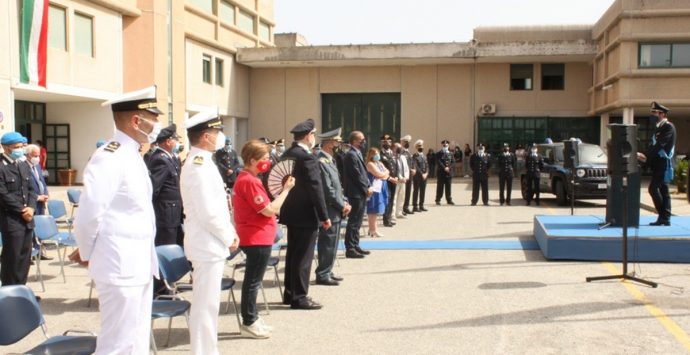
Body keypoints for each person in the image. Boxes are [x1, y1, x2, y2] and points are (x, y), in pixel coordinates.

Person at [73, 86, 162, 353]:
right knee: (117, 344)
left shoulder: (132, 154)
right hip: (119, 264)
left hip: (138, 264)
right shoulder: (110, 156)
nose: (157, 124)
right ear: (137, 121)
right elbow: (89, 213)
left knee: (136, 340)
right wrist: (89, 252)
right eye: (153, 118)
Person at [181, 109, 240, 354]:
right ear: (205, 136)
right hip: (207, 244)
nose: (219, 137)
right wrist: (229, 236)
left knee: (208, 306)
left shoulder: (203, 162)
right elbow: (208, 212)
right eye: (216, 132)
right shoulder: (199, 165)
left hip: (208, 243)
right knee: (205, 306)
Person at [233, 139, 294, 338]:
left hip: (258, 236)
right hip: (255, 237)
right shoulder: (249, 181)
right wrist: (286, 190)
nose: (268, 162)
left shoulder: (250, 179)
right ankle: (249, 320)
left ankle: (253, 317)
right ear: (252, 160)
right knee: (253, 282)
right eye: (265, 158)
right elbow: (269, 210)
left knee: (254, 280)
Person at [279, 118, 331, 310]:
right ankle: (300, 297)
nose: (313, 138)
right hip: (306, 213)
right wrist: (324, 215)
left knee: (294, 253)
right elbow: (315, 187)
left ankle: (290, 292)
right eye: (312, 135)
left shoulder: (287, 153)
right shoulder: (307, 157)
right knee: (303, 257)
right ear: (308, 136)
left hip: (290, 211)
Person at [0, 132, 37, 287]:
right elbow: (2, 194)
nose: (21, 149)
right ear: (6, 147)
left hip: (27, 219)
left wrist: (31, 208)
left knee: (24, 257)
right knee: (12, 257)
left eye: (22, 146)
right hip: (12, 219)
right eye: (17, 146)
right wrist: (23, 210)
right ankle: (9, 292)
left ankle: (21, 290)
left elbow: (31, 189)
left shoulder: (22, 164)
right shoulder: (1, 166)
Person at [315, 128, 350, 285]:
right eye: (336, 141)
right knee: (328, 242)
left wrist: (343, 201)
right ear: (329, 143)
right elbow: (328, 189)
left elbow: (337, 186)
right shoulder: (321, 161)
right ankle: (322, 273)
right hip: (330, 208)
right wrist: (342, 204)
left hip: (336, 207)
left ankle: (328, 269)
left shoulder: (330, 159)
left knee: (333, 242)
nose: (338, 144)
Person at [637, 101, 676, 226]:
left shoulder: (668, 127)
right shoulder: (659, 128)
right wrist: (644, 157)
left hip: (663, 163)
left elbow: (660, 145)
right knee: (663, 190)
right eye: (652, 112)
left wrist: (646, 156)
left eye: (655, 112)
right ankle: (665, 218)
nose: (652, 115)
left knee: (653, 188)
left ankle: (663, 215)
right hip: (657, 163)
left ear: (662, 114)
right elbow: (653, 146)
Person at [147, 124, 184, 247]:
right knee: (166, 249)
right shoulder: (160, 159)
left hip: (173, 215)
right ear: (168, 142)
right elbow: (153, 189)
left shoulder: (171, 158)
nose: (178, 143)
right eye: (176, 140)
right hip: (166, 216)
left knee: (176, 247)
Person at [343, 131, 373, 259]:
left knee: (358, 221)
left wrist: (368, 185)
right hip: (355, 193)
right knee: (354, 221)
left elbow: (363, 173)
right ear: (354, 141)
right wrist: (366, 188)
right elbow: (356, 175)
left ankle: (355, 245)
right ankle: (350, 248)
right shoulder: (351, 155)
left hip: (360, 192)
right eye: (361, 139)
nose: (364, 142)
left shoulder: (357, 153)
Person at [365, 147, 390, 238]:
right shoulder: (370, 164)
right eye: (375, 154)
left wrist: (383, 174)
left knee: (377, 210)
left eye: (377, 153)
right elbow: (378, 174)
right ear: (371, 155)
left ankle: (372, 229)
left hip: (381, 187)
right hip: (374, 189)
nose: (377, 155)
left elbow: (387, 171)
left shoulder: (379, 163)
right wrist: (383, 174)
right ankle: (373, 230)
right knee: (373, 210)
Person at [379, 134, 398, 227]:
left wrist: (397, 177)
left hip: (394, 180)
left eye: (389, 141)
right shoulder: (379, 154)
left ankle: (389, 217)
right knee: (387, 199)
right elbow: (380, 169)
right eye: (385, 142)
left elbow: (396, 166)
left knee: (392, 199)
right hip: (386, 180)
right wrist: (390, 178)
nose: (387, 143)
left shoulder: (393, 153)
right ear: (382, 143)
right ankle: (386, 220)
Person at [25, 144, 48, 215]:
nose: (38, 158)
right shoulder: (23, 167)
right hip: (31, 203)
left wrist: (46, 194)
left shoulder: (37, 166)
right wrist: (37, 197)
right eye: (35, 156)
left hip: (41, 202)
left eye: (39, 156)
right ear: (28, 155)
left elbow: (42, 181)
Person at [393, 142, 410, 220]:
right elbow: (396, 170)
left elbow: (406, 168)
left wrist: (406, 177)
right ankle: (392, 214)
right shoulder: (392, 157)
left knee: (402, 197)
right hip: (396, 180)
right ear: (394, 148)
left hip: (403, 180)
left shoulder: (403, 157)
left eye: (400, 147)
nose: (399, 149)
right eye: (397, 147)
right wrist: (400, 177)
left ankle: (399, 212)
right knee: (394, 197)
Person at [435, 139, 455, 205]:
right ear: (442, 145)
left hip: (448, 173)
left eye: (446, 144)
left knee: (448, 187)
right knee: (440, 187)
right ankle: (438, 200)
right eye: (444, 145)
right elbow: (438, 162)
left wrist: (448, 168)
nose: (445, 145)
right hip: (441, 173)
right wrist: (444, 168)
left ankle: (449, 200)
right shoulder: (438, 153)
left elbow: (453, 162)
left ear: (448, 145)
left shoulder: (451, 153)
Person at [411, 139, 429, 212]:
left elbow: (427, 165)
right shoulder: (414, 156)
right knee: (416, 191)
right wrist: (422, 174)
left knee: (423, 191)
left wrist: (426, 173)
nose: (421, 147)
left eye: (421, 146)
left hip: (424, 177)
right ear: (416, 147)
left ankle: (421, 205)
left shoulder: (424, 156)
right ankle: (415, 206)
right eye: (419, 146)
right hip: (417, 177)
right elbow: (416, 166)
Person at [400, 134, 416, 215]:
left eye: (408, 142)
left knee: (408, 191)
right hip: (404, 175)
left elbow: (412, 162)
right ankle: (402, 208)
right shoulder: (401, 152)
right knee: (403, 192)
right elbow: (402, 164)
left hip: (410, 175)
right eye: (406, 142)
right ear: (402, 142)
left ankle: (406, 207)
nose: (407, 143)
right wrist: (410, 169)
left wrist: (414, 169)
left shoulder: (408, 152)